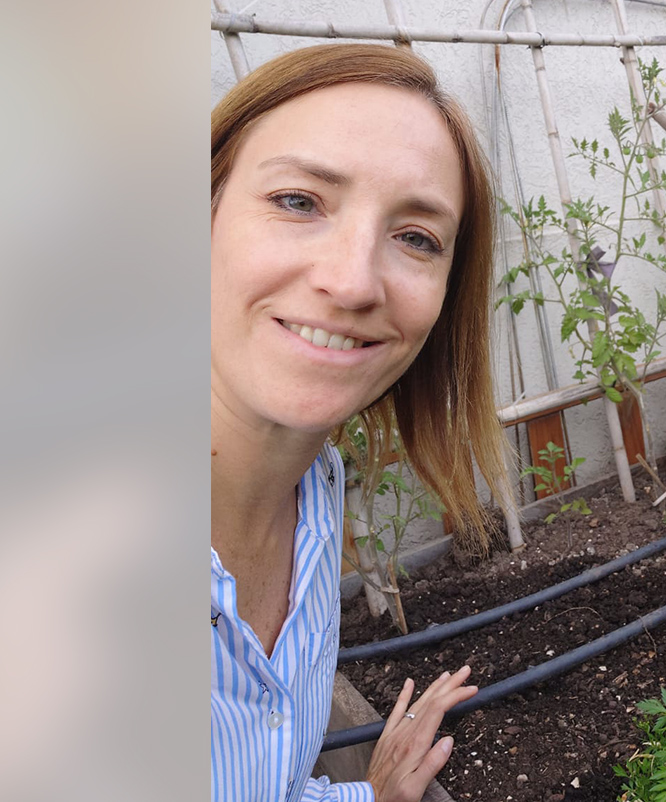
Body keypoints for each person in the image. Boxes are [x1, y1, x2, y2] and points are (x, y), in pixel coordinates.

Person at [210, 43, 511, 802]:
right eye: (297, 201)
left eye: (416, 238)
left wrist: (367, 798)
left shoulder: (313, 493)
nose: (351, 282)